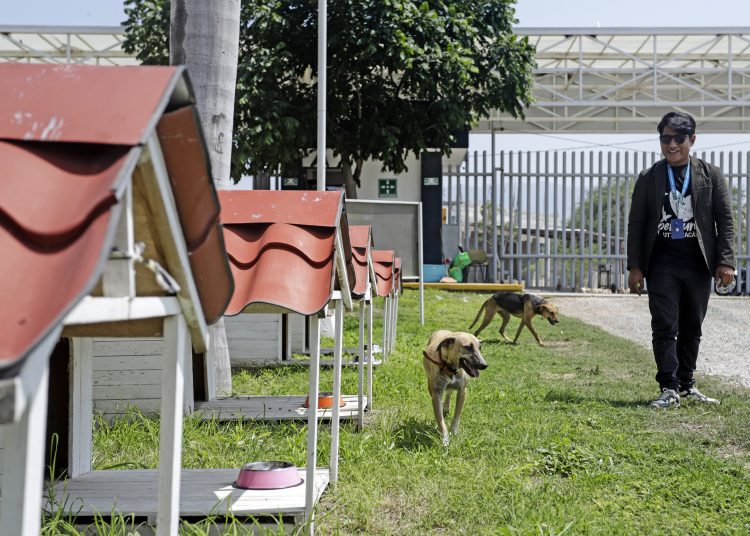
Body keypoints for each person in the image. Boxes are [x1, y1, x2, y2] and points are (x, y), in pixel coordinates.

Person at [627, 111, 735, 409]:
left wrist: (725, 261)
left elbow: (725, 220)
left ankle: (687, 385)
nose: (671, 145)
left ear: (692, 140)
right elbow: (636, 223)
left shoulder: (711, 175)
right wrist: (635, 267)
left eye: (678, 139)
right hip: (661, 263)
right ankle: (669, 387)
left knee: (692, 326)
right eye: (665, 138)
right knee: (664, 326)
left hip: (699, 264)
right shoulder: (649, 177)